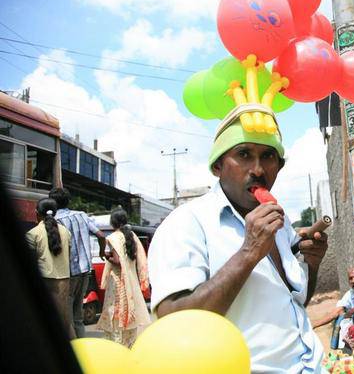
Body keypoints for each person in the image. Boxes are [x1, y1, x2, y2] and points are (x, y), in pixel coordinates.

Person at [149, 106, 328, 373]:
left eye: (268, 156)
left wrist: (311, 265)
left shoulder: (280, 223)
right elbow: (176, 323)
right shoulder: (186, 223)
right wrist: (249, 252)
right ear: (218, 166)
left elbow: (296, 302)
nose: (258, 169)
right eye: (243, 154)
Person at [49, 187, 106, 338]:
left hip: (67, 274)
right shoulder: (81, 215)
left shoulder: (55, 221)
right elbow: (100, 235)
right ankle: (82, 345)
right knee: (78, 316)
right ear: (68, 201)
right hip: (85, 271)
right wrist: (101, 252)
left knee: (66, 318)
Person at [96, 208, 151, 346]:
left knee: (115, 313)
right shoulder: (131, 235)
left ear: (113, 223)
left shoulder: (114, 238)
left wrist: (107, 256)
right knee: (128, 315)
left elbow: (118, 261)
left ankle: (117, 346)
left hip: (118, 282)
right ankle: (128, 345)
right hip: (131, 281)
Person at [25, 198, 74, 339]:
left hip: (44, 282)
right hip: (64, 281)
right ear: (56, 213)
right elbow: (68, 256)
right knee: (64, 321)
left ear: (36, 213)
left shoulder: (32, 234)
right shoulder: (66, 232)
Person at [312, 266, 354, 352]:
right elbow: (336, 312)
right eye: (351, 279)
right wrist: (314, 325)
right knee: (342, 318)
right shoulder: (350, 294)